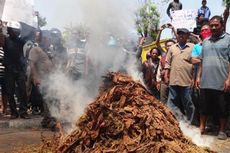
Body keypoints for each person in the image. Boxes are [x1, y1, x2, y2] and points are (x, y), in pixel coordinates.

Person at [196, 16, 230, 140]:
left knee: (222, 107)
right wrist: (198, 77)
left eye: (216, 25)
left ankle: (222, 130)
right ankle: (202, 128)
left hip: (221, 81)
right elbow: (201, 61)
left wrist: (228, 79)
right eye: (212, 25)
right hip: (205, 81)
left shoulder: (228, 39)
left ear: (222, 25)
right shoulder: (205, 41)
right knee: (203, 107)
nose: (214, 27)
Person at [164, 28, 195, 122]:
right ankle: (179, 121)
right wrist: (166, 75)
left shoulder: (193, 47)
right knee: (171, 103)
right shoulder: (172, 48)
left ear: (187, 36)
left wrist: (194, 78)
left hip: (187, 80)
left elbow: (196, 64)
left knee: (188, 103)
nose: (181, 35)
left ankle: (190, 122)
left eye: (183, 34)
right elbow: (167, 63)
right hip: (173, 80)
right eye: (179, 34)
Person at [29, 31, 56, 130]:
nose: (48, 40)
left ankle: (45, 120)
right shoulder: (35, 49)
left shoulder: (47, 50)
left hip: (50, 78)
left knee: (49, 98)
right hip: (42, 78)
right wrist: (35, 77)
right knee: (47, 98)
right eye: (47, 38)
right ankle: (51, 120)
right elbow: (31, 64)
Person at [4, 21, 29, 119]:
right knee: (10, 91)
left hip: (20, 70)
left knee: (23, 91)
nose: (16, 32)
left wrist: (25, 69)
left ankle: (23, 111)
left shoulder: (22, 41)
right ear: (9, 30)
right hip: (9, 70)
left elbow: (26, 55)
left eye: (17, 31)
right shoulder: (5, 40)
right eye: (14, 30)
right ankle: (14, 112)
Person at [155, 23, 177, 103]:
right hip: (164, 82)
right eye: (167, 45)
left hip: (174, 82)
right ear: (165, 47)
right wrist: (160, 31)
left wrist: (173, 29)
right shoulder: (164, 54)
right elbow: (157, 43)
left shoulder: (177, 53)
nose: (169, 47)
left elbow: (178, 40)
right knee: (163, 101)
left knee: (174, 101)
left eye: (171, 45)